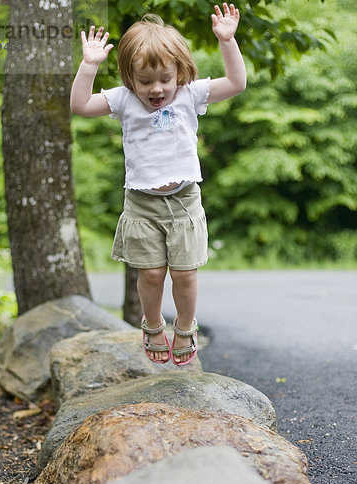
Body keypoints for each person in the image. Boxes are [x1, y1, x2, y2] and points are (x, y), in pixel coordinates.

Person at [70, 3, 246, 365]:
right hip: (141, 202)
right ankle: (152, 324)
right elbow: (81, 106)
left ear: (180, 73)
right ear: (129, 77)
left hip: (184, 200)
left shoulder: (190, 94)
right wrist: (89, 65)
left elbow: (236, 83)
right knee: (150, 273)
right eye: (145, 81)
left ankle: (184, 326)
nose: (156, 89)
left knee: (184, 273)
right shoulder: (123, 99)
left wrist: (227, 41)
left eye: (165, 79)